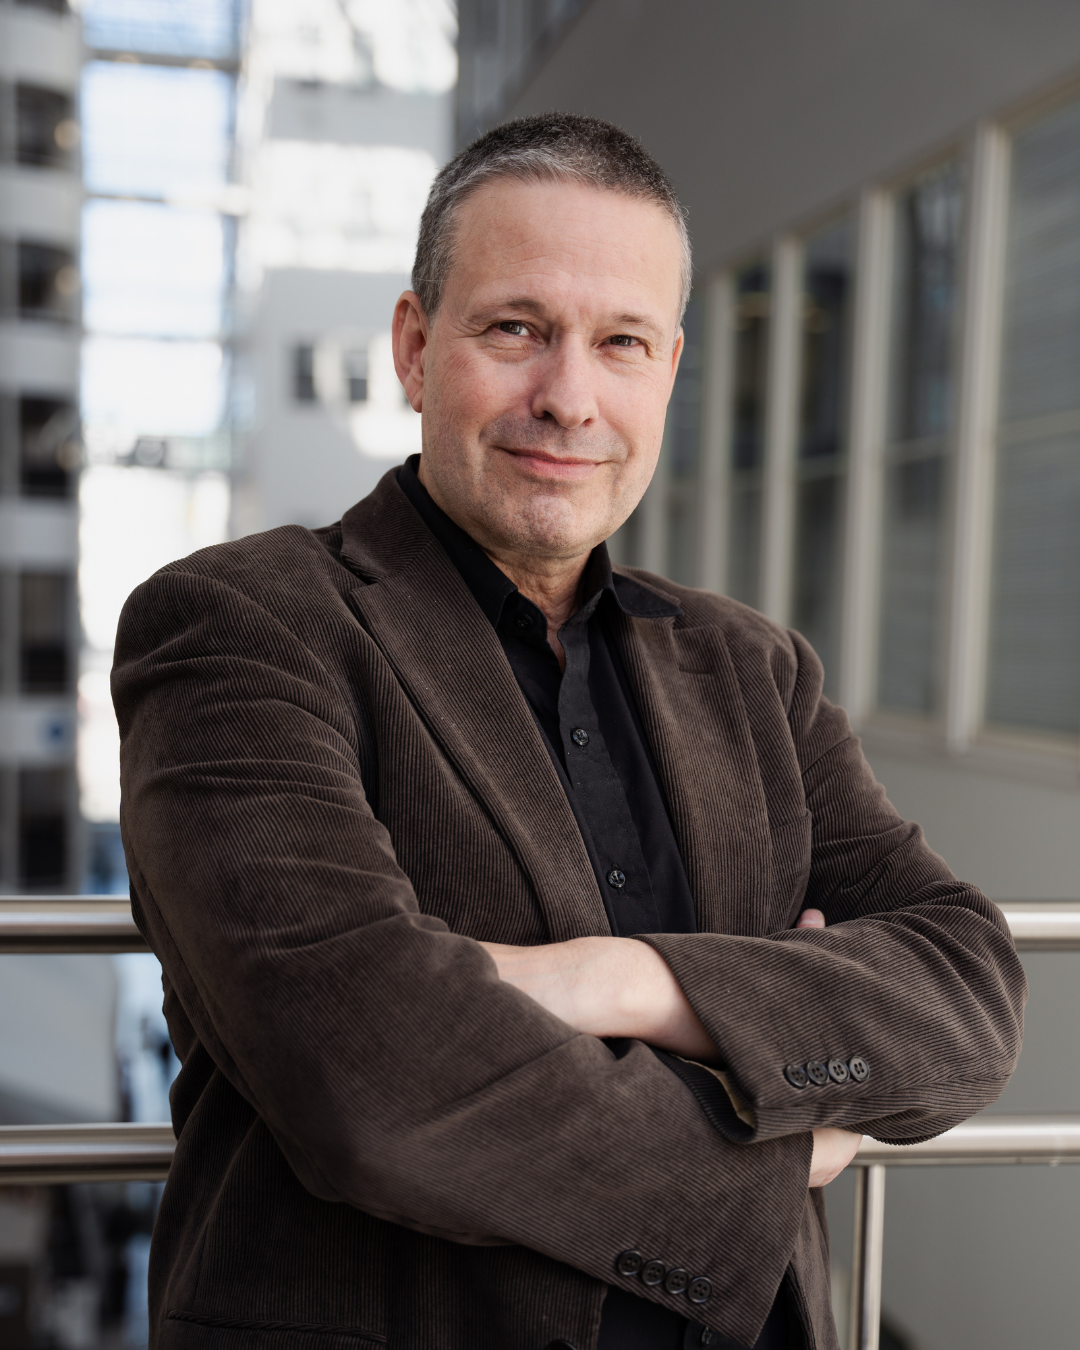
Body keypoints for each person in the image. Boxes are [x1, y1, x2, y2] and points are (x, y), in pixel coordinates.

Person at [112, 113, 1026, 1350]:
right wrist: (776, 1129)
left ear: (670, 370)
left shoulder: (755, 670)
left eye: (623, 343)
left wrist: (624, 982)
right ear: (416, 347)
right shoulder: (238, 626)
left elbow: (964, 991)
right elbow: (365, 1075)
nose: (569, 398)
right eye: (516, 330)